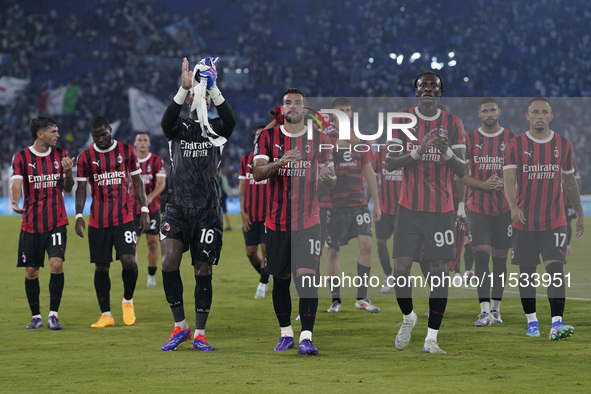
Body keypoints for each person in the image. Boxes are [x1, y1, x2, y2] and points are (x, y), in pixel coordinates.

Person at [385, 72, 466, 353]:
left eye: (434, 85)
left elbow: (463, 169)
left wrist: (446, 152)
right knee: (400, 269)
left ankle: (431, 338)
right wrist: (419, 151)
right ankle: (408, 317)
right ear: (416, 91)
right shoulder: (402, 121)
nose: (428, 88)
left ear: (441, 92)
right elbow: (390, 162)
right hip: (409, 209)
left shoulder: (454, 123)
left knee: (439, 272)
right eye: (423, 85)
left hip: (442, 211)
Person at [159, 57, 236, 351]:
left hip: (207, 210)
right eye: (196, 95)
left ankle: (200, 333)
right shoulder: (177, 129)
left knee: (203, 269)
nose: (198, 98)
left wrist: (214, 90)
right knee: (169, 261)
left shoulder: (215, 129)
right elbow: (165, 121)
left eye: (202, 95)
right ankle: (180, 326)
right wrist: (183, 88)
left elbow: (231, 121)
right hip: (177, 207)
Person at [253, 88, 335, 355]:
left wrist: (328, 179)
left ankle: (306, 338)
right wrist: (279, 162)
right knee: (280, 278)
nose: (292, 107)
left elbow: (331, 177)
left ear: (304, 108)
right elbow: (257, 173)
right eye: (288, 102)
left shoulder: (319, 138)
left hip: (309, 220)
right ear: (283, 108)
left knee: (308, 279)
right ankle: (286, 333)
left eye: (298, 103)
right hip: (276, 222)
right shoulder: (268, 137)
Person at [503, 96, 584, 340]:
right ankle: (532, 323)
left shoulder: (563, 143)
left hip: (555, 220)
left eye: (544, 111)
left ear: (551, 116)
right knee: (527, 273)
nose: (540, 115)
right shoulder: (515, 145)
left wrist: (579, 212)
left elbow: (569, 181)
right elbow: (508, 181)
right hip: (524, 221)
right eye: (535, 112)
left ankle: (557, 323)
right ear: (527, 117)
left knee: (556, 271)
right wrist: (513, 207)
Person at [75, 116, 149, 328]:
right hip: (98, 220)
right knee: (101, 266)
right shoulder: (85, 157)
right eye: (95, 136)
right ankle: (106, 314)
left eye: (103, 134)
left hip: (125, 217)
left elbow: (137, 181)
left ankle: (127, 301)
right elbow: (80, 188)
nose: (100, 139)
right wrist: (79, 215)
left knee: (129, 261)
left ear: (110, 130)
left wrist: (144, 210)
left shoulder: (126, 151)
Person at [10, 117, 74, 330]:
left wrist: (67, 172)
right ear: (40, 134)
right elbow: (16, 182)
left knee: (56, 264)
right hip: (31, 223)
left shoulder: (61, 155)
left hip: (56, 220)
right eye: (53, 131)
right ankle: (36, 316)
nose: (58, 135)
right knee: (32, 271)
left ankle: (53, 315)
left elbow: (67, 187)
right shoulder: (21, 157)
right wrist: (14, 200)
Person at [458, 97, 514, 326]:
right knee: (481, 255)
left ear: (499, 111)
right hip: (477, 207)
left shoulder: (512, 139)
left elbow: (519, 173)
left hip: (504, 208)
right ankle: (483, 311)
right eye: (485, 110)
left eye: (493, 109)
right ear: (479, 114)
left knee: (500, 259)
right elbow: (460, 174)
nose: (489, 113)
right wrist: (481, 187)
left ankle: (496, 309)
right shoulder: (469, 139)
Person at [324, 97, 382, 313]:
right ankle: (336, 300)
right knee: (333, 252)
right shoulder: (326, 139)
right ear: (333, 115)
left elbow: (368, 171)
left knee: (367, 245)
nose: (346, 113)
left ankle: (362, 298)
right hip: (334, 204)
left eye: (348, 110)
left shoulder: (362, 140)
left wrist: (375, 203)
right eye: (341, 110)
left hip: (358, 203)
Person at [132, 132, 167, 288]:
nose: (142, 142)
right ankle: (131, 274)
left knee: (152, 243)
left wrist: (149, 198)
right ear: (135, 143)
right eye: (140, 140)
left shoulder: (157, 161)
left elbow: (161, 184)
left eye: (145, 140)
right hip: (133, 209)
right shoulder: (129, 161)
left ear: (149, 143)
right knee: (134, 243)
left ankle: (151, 276)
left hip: (152, 209)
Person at [238, 126, 270, 299]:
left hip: (268, 215)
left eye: (262, 135)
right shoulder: (246, 160)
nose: (259, 138)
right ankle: (266, 275)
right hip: (250, 214)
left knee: (266, 249)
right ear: (254, 140)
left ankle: (263, 283)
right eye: (257, 135)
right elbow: (242, 188)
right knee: (250, 252)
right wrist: (242, 211)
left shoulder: (273, 159)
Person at [372, 142, 403, 294]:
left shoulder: (408, 154)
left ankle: (398, 276)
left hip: (403, 210)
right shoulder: (380, 154)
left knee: (400, 248)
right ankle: (388, 275)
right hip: (384, 209)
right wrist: (368, 202)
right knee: (380, 242)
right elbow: (372, 177)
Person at [564, 163, 581, 255]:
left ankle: (567, 247)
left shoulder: (572, 165)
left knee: (567, 223)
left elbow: (578, 182)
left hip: (568, 202)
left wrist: (576, 200)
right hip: (556, 201)